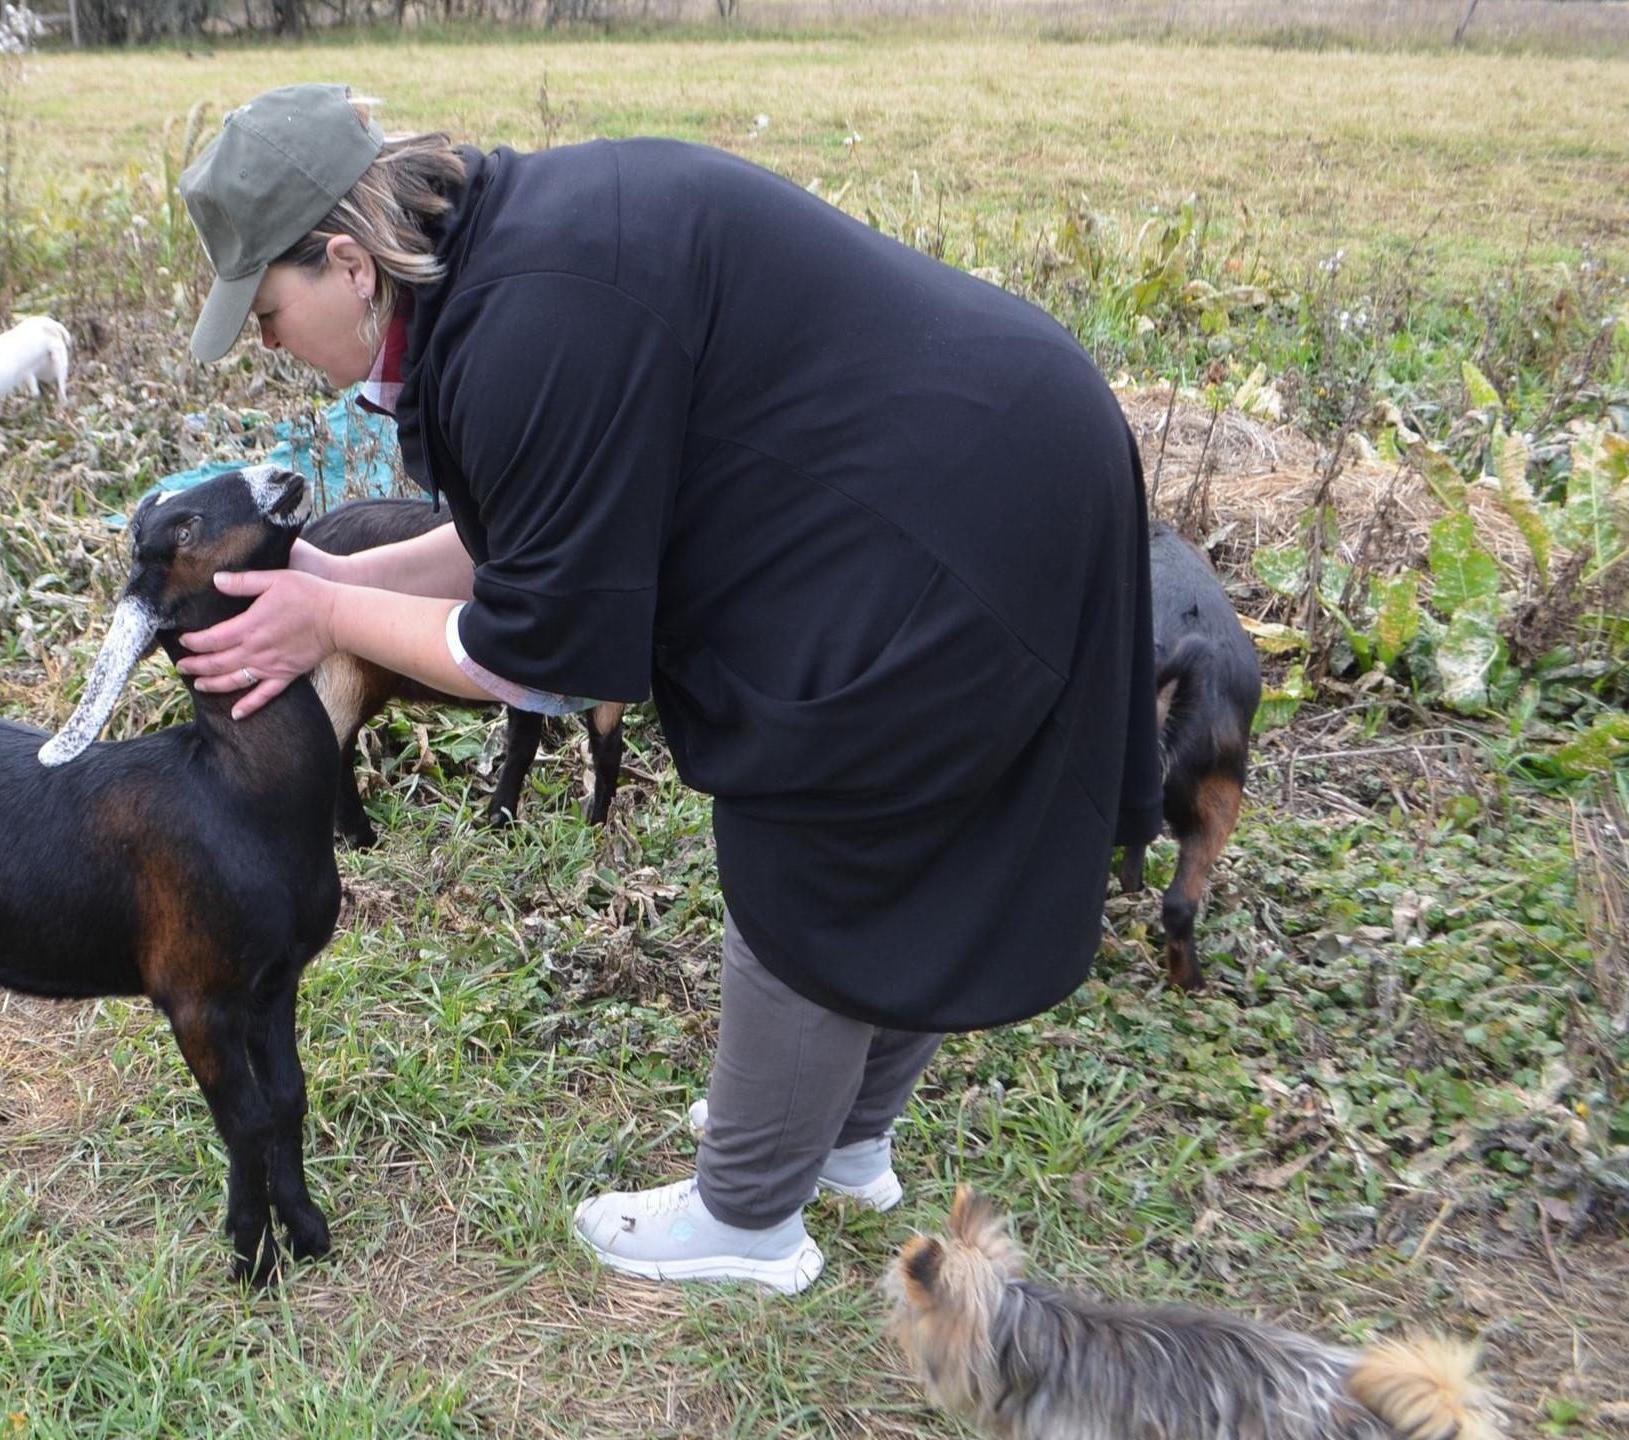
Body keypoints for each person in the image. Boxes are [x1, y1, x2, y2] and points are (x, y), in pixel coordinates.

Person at [172, 83, 1158, 1293]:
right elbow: (542, 537)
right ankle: (842, 1143)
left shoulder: (523, 327)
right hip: (1008, 444)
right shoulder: (510, 257)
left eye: (267, 311)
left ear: (345, 261)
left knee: (820, 808)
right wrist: (341, 575)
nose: (269, 345)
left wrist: (329, 615)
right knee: (919, 828)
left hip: (958, 505)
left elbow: (536, 649)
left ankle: (747, 1220)